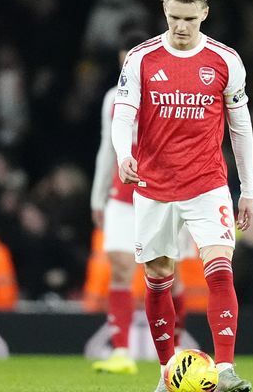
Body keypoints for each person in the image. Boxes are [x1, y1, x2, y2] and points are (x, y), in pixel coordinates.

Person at [111, 0, 253, 392]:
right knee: (158, 277)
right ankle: (164, 372)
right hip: (154, 185)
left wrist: (247, 188)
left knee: (220, 270)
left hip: (207, 184)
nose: (181, 26)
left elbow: (240, 127)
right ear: (164, 10)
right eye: (174, 16)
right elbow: (123, 112)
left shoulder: (226, 60)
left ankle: (225, 371)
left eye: (190, 18)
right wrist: (124, 154)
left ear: (205, 14)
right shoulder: (141, 58)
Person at [89, 30, 195, 374]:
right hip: (121, 196)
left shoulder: (167, 89)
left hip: (165, 194)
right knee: (120, 267)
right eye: (124, 53)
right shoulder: (112, 98)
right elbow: (108, 147)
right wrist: (98, 195)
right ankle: (121, 352)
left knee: (169, 275)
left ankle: (175, 351)